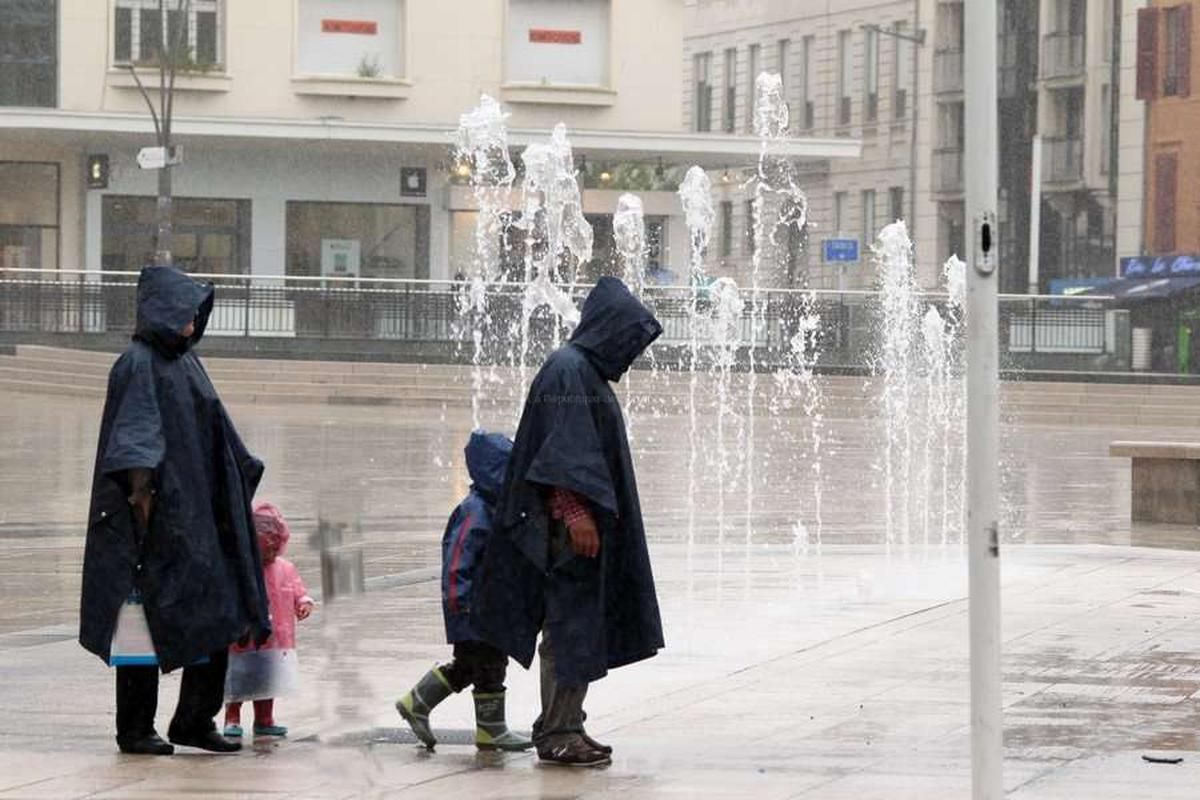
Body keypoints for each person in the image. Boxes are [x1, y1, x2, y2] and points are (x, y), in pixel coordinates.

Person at [472, 276, 665, 768]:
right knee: (567, 628)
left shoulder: (582, 371)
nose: (630, 350)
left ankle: (568, 723)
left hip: (577, 530)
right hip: (566, 533)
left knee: (579, 627)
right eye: (628, 337)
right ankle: (557, 731)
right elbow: (560, 453)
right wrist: (577, 514)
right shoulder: (568, 370)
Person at [79, 265, 272, 755]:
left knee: (218, 611)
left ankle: (193, 718)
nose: (193, 321)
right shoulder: (137, 363)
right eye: (185, 311)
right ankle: (136, 728)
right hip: (153, 525)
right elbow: (134, 449)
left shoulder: (186, 362)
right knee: (139, 628)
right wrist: (146, 516)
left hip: (196, 519)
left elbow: (215, 434)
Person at [396, 431, 532, 752]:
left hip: (490, 606)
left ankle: (423, 704)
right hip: (472, 608)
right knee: (482, 664)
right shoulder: (476, 510)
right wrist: (459, 601)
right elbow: (458, 559)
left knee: (482, 664)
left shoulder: (497, 509)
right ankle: (484, 727)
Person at [223, 502, 314, 739]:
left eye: (275, 548)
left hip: (274, 641)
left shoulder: (285, 568)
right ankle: (232, 718)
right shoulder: (240, 569)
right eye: (265, 548)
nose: (271, 553)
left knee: (267, 681)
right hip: (243, 639)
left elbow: (297, 590)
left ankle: (264, 718)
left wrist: (303, 603)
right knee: (237, 681)